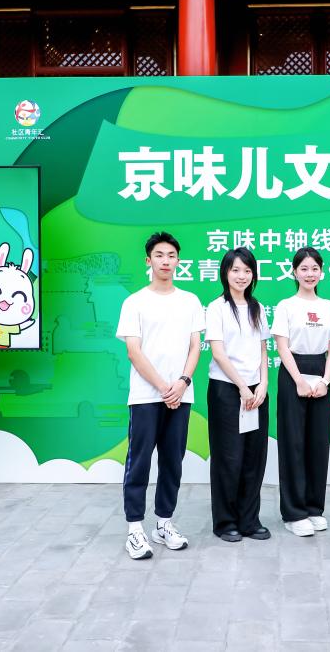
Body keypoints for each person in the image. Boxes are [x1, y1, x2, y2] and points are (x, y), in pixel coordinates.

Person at [115, 232, 205, 560]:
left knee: (172, 462)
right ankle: (135, 529)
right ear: (148, 260)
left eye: (171, 255)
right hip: (145, 396)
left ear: (178, 260)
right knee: (139, 462)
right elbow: (133, 351)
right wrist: (163, 387)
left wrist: (182, 382)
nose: (166, 261)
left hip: (181, 394)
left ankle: (164, 523)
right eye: (159, 255)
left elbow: (195, 346)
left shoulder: (190, 301)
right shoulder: (135, 302)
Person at [272, 247, 330, 537]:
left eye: (315, 269)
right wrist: (299, 380)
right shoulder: (286, 306)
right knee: (293, 443)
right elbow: (281, 346)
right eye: (304, 269)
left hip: (321, 373)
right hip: (293, 372)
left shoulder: (329, 306)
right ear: (294, 272)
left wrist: (325, 380)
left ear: (321, 272)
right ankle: (294, 513)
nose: (309, 274)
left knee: (317, 443)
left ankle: (314, 508)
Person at [205, 248, 272, 543]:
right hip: (227, 390)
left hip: (256, 392)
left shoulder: (257, 308)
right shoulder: (217, 307)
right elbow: (218, 353)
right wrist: (243, 387)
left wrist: (263, 384)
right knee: (228, 457)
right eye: (235, 270)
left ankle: (249, 520)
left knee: (254, 458)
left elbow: (263, 349)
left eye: (247, 270)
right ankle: (225, 522)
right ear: (225, 273)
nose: (241, 276)